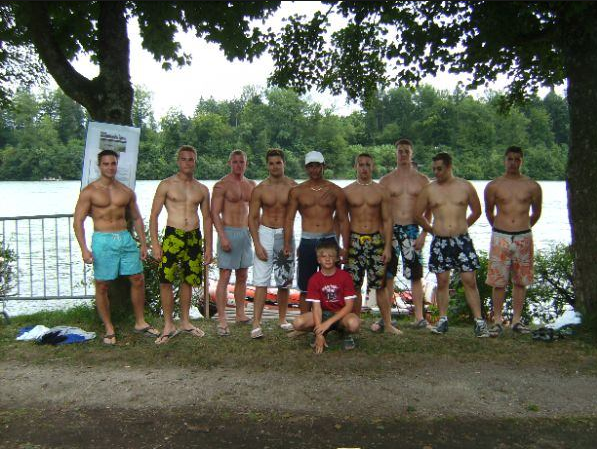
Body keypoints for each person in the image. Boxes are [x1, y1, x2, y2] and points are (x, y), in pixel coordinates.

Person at [73, 149, 158, 345]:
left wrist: (143, 243)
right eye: (106, 164)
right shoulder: (89, 192)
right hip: (102, 240)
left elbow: (136, 218)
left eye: (113, 163)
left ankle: (140, 322)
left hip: (125, 238)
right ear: (99, 166)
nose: (110, 167)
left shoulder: (125, 191)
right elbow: (78, 221)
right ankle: (109, 328)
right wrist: (84, 249)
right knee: (102, 284)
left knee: (137, 279)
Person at [414, 152, 490, 337]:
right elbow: (417, 214)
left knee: (469, 280)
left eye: (439, 169)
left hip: (462, 240)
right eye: (434, 169)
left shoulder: (465, 186)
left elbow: (477, 211)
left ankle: (479, 321)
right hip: (440, 241)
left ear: (449, 167)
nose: (436, 172)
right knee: (442, 281)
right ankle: (442, 320)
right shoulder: (429, 189)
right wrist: (431, 230)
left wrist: (462, 226)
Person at [149, 145, 213, 344]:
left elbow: (207, 218)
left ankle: (185, 322)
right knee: (165, 280)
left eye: (191, 159)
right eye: (184, 159)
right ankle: (168, 325)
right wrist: (155, 244)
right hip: (173, 235)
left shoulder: (202, 189)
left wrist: (209, 247)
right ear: (178, 161)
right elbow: (154, 215)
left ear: (195, 162)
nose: (187, 162)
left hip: (193, 236)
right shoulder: (166, 185)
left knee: (188, 279)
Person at [484, 146, 542, 336]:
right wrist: (500, 228)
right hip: (500, 236)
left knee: (520, 280)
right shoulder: (494, 186)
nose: (513, 163)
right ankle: (497, 320)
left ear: (522, 161)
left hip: (523, 236)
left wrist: (523, 227)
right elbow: (489, 211)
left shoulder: (532, 186)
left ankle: (516, 320)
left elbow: (537, 212)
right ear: (505, 160)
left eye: (517, 159)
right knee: (498, 281)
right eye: (510, 159)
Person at [284, 150, 349, 314]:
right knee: (305, 287)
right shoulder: (297, 191)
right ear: (306, 168)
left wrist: (345, 247)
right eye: (311, 166)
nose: (314, 170)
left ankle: (334, 320)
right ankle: (306, 320)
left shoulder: (335, 190)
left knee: (334, 284)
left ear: (323, 166)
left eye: (317, 166)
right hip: (307, 240)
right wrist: (287, 244)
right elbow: (289, 219)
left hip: (329, 240)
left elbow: (343, 220)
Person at [343, 153, 401, 334]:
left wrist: (387, 247)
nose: (364, 168)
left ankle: (388, 324)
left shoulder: (381, 191)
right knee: (354, 286)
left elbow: (388, 220)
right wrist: (343, 246)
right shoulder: (347, 191)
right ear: (355, 167)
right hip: (355, 240)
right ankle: (355, 321)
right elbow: (342, 220)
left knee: (380, 285)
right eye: (361, 164)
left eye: (368, 164)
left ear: (373, 167)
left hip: (376, 240)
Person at [379, 139, 430, 330]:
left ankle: (419, 317)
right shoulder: (386, 180)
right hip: (391, 229)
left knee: (415, 274)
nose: (403, 154)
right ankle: (386, 317)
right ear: (396, 153)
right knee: (388, 274)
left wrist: (424, 233)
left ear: (412, 153)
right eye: (400, 151)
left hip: (412, 228)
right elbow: (380, 210)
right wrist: (382, 234)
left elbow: (429, 209)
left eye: (406, 151)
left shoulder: (422, 180)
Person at [248, 149, 297, 339]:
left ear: (284, 163)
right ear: (267, 165)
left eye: (278, 162)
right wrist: (257, 244)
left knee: (284, 280)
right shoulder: (260, 189)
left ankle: (282, 319)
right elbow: (252, 218)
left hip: (286, 233)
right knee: (261, 281)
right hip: (265, 232)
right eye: (271, 163)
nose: (275, 166)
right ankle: (256, 322)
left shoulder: (293, 187)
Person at [211, 149, 256, 336]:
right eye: (235, 162)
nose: (238, 165)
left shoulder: (251, 185)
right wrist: (222, 236)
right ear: (230, 163)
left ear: (246, 164)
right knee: (224, 276)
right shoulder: (222, 185)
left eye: (242, 162)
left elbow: (254, 214)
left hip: (245, 233)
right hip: (228, 232)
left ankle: (240, 313)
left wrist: (257, 236)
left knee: (243, 275)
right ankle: (222, 319)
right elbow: (214, 213)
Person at [292, 240, 360, 353]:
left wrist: (328, 323)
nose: (327, 259)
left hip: (341, 314)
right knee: (298, 323)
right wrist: (319, 333)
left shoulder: (345, 276)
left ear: (337, 259)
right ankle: (320, 332)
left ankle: (344, 333)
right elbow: (316, 308)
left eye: (331, 256)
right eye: (323, 256)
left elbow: (349, 306)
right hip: (323, 314)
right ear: (318, 260)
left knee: (354, 323)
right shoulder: (314, 279)